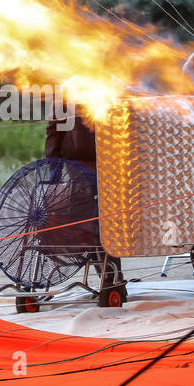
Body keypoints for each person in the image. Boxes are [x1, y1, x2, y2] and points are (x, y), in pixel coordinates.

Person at [45, 111, 125, 304]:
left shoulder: (112, 86)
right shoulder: (67, 90)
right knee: (87, 216)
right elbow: (55, 127)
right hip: (78, 160)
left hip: (113, 158)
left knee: (105, 218)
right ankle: (110, 279)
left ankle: (112, 281)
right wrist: (54, 168)